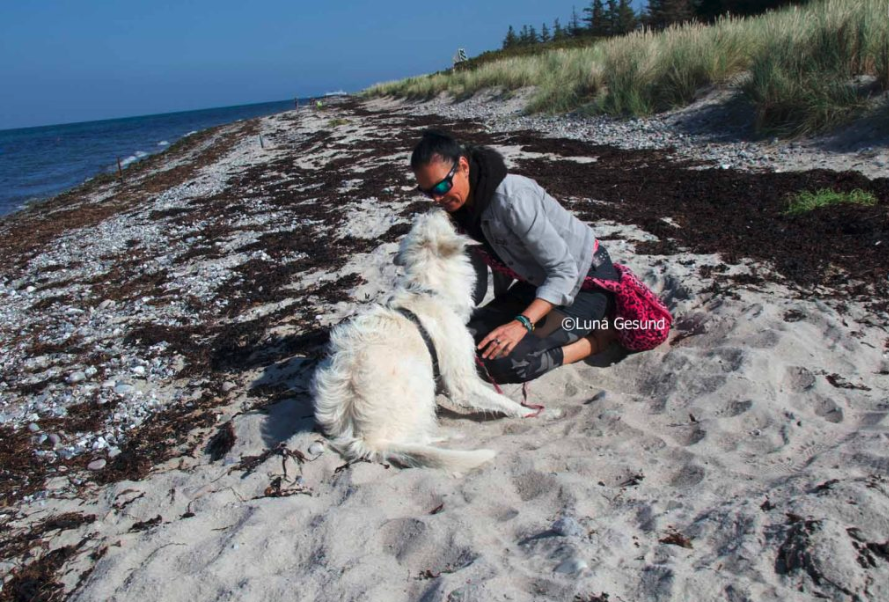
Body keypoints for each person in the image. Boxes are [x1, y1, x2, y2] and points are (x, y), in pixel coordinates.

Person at [410, 130, 622, 384]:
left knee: (503, 363)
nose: (437, 197)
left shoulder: (512, 199)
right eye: (428, 192)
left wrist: (521, 323)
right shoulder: (461, 211)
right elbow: (474, 286)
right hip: (536, 284)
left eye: (442, 186)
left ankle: (597, 340)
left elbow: (564, 271)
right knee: (460, 337)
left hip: (584, 284)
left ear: (463, 166)